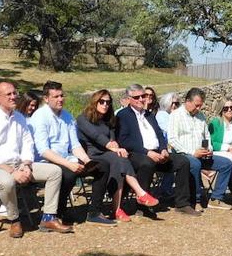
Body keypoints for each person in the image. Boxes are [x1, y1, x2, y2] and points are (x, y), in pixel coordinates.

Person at [0, 81, 71, 238]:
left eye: (15, 93)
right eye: (9, 94)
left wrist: (26, 164)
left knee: (54, 171)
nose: (14, 97)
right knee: (7, 181)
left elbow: (28, 144)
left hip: (19, 165)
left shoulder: (19, 118)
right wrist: (12, 171)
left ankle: (48, 217)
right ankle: (15, 220)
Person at [31, 81, 115, 226]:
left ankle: (94, 212)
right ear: (46, 98)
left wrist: (87, 160)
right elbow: (43, 151)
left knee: (102, 166)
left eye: (62, 95)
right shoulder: (40, 117)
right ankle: (58, 212)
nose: (60, 99)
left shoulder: (67, 116)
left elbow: (75, 145)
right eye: (56, 96)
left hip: (67, 158)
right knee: (68, 173)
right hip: (47, 161)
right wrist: (69, 164)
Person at [116, 83, 197, 216]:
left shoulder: (149, 115)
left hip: (157, 153)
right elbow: (125, 140)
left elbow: (159, 134)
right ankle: (142, 206)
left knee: (182, 161)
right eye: (137, 97)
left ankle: (182, 203)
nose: (141, 99)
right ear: (129, 98)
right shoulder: (123, 115)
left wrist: (164, 149)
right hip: (137, 154)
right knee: (147, 163)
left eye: (143, 96)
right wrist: (148, 152)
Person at [76, 88, 157, 220]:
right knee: (118, 158)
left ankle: (118, 209)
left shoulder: (109, 119)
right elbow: (96, 136)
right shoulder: (83, 118)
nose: (105, 105)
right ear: (94, 102)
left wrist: (116, 147)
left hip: (108, 154)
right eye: (101, 102)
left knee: (119, 160)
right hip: (92, 155)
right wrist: (113, 148)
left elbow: (113, 138)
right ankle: (139, 194)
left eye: (108, 102)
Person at [168, 88, 232, 210]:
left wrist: (208, 149)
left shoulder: (201, 116)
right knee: (194, 164)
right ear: (187, 101)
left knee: (226, 164)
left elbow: (207, 136)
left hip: (202, 154)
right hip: (184, 155)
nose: (199, 108)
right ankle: (196, 200)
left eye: (200, 106)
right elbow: (172, 139)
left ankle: (216, 198)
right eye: (196, 105)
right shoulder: (175, 115)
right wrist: (192, 152)